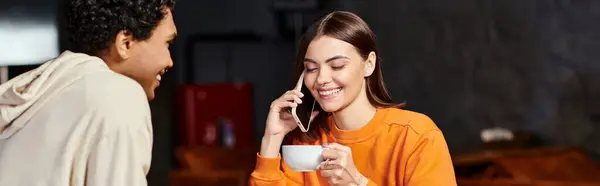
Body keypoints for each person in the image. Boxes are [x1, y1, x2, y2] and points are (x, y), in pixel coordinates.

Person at [249, 11, 456, 186]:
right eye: (311, 68)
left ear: (369, 64)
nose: (321, 79)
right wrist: (272, 138)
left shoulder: (417, 136)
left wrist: (357, 182)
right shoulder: (307, 145)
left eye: (337, 66)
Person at [0, 0, 177, 185]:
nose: (170, 61)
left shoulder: (42, 92)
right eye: (167, 43)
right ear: (125, 43)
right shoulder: (120, 95)